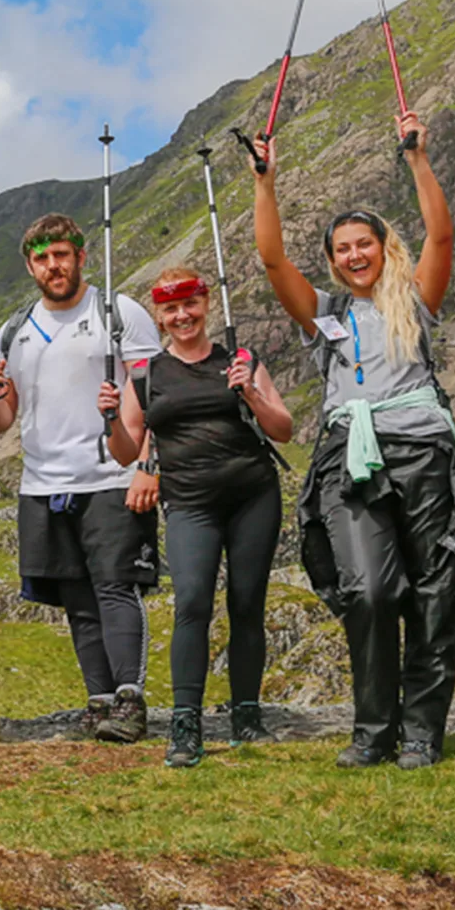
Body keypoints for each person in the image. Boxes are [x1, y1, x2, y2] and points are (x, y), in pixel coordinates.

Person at [251, 114, 455, 770]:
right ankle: (374, 728)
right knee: (368, 589)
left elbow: (442, 233)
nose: (352, 255)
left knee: (434, 591)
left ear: (381, 246)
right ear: (333, 259)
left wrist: (419, 159)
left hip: (426, 454)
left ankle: (422, 732)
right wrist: (266, 183)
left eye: (362, 243)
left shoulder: (415, 300)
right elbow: (270, 258)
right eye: (341, 248)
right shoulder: (324, 314)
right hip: (353, 458)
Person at [0, 213, 162, 742]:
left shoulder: (119, 313)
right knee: (77, 601)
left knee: (115, 589)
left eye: (61, 254)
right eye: (42, 258)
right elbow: (0, 420)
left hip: (111, 474)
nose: (53, 266)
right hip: (43, 483)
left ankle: (130, 700)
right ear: (30, 266)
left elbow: (153, 397)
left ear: (81, 255)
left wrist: (148, 465)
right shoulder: (15, 330)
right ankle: (98, 701)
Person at [109, 267, 293, 767]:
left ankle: (247, 716)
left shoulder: (240, 360)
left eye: (190, 304)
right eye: (170, 309)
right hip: (189, 502)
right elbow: (125, 451)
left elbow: (284, 428)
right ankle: (185, 724)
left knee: (247, 601)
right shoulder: (145, 375)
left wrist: (250, 392)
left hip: (254, 494)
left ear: (206, 303)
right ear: (160, 316)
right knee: (191, 601)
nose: (182, 316)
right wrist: (108, 419)